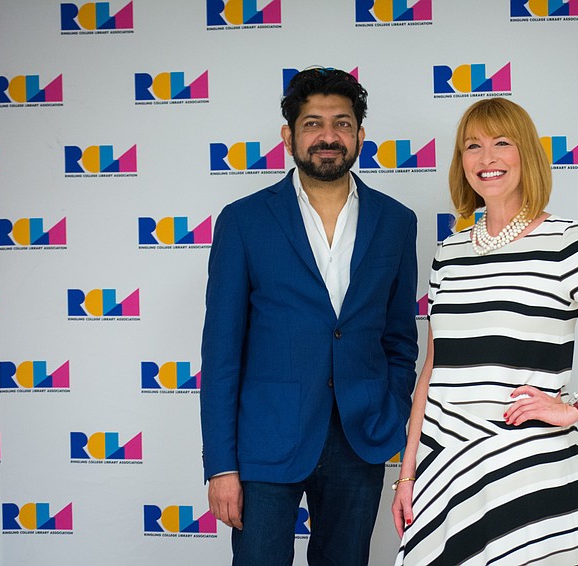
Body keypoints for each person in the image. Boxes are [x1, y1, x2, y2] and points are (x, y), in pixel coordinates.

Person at [391, 97, 578, 565]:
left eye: (502, 143)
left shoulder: (564, 240)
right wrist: (408, 472)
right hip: (445, 463)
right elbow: (433, 368)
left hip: (527, 462)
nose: (486, 158)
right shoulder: (449, 254)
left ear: (527, 156)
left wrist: (577, 406)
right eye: (471, 146)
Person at [200, 67, 418, 565]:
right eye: (313, 123)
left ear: (360, 136)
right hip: (264, 442)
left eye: (341, 124)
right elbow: (221, 353)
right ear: (289, 136)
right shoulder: (244, 220)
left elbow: (400, 338)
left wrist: (390, 409)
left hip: (359, 438)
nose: (328, 136)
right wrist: (221, 465)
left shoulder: (396, 221)